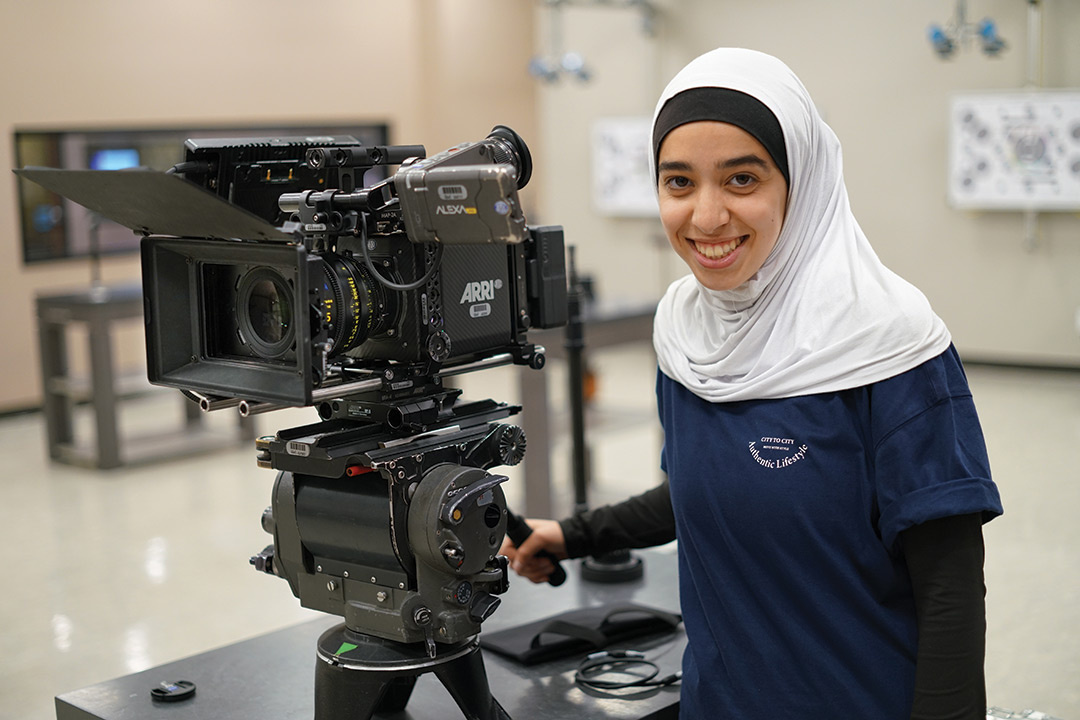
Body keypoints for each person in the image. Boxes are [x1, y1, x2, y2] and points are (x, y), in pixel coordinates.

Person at [501, 48, 1003, 720]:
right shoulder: (685, 332)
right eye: (678, 183)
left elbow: (950, 589)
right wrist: (575, 534)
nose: (706, 218)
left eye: (741, 179)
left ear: (801, 182)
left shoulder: (890, 342)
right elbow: (707, 486)